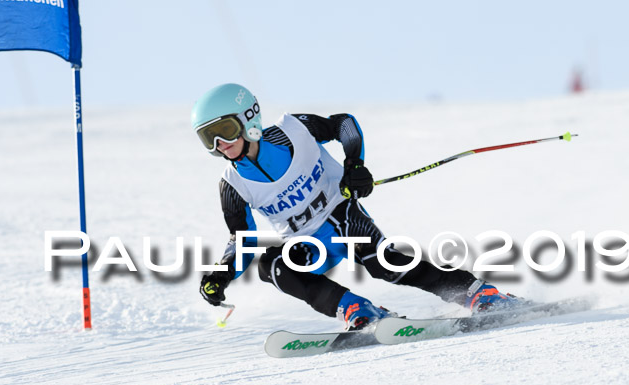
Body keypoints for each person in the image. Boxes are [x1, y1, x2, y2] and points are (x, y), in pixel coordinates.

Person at [192, 83, 518, 330]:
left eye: (225, 131)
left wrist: (355, 166)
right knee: (272, 266)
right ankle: (357, 310)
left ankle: (478, 294)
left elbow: (344, 125)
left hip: (342, 217)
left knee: (384, 265)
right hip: (306, 244)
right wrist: (220, 274)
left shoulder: (294, 130)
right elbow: (242, 239)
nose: (221, 145)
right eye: (210, 138)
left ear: (249, 118)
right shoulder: (232, 185)